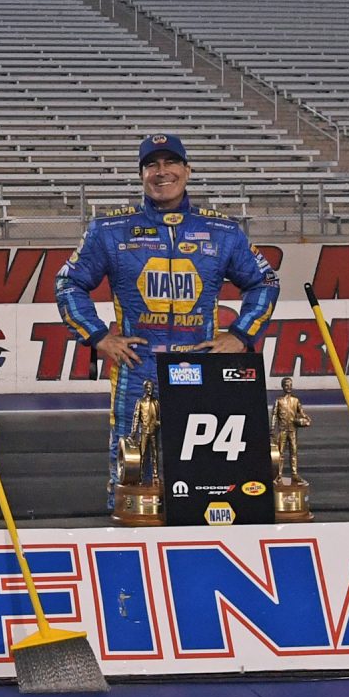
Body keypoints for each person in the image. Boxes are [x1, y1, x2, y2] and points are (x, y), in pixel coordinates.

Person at [54, 132, 278, 507]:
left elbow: (265, 282)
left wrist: (240, 335)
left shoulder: (223, 231)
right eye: (152, 165)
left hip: (202, 367)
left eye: (170, 162)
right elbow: (69, 283)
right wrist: (98, 337)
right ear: (141, 175)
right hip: (138, 366)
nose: (162, 172)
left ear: (187, 170)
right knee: (130, 475)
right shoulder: (109, 230)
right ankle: (130, 541)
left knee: (208, 475)